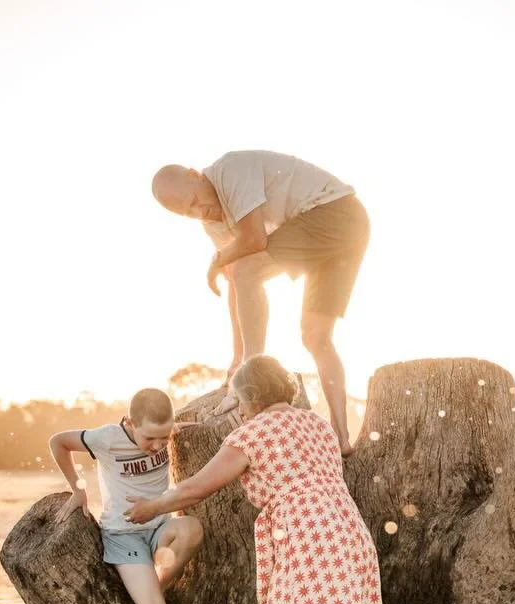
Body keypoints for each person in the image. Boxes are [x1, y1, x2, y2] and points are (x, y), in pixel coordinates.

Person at [125, 356, 385, 604]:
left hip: (305, 540)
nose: (236, 406)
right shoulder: (317, 425)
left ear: (249, 396)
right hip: (348, 535)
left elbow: (197, 487)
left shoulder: (252, 435)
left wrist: (153, 507)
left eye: (237, 398)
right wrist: (245, 417)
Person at [151, 151, 370, 455]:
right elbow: (236, 281)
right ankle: (341, 438)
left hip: (336, 214)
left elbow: (254, 240)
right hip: (336, 235)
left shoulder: (230, 171)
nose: (200, 211)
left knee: (245, 269)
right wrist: (235, 356)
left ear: (195, 174)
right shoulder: (213, 222)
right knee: (315, 337)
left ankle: (252, 368)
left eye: (195, 200)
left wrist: (218, 260)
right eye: (189, 213)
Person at [49, 388, 203, 604]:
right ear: (130, 423)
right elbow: (58, 441)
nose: (157, 444)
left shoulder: (164, 432)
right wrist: (78, 488)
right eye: (149, 437)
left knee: (192, 529)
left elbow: (185, 427)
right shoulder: (106, 438)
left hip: (159, 527)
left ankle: (157, 592)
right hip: (124, 537)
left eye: (165, 436)